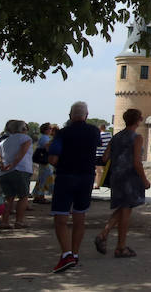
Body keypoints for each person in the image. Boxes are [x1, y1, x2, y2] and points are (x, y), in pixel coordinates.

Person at [48, 101, 101, 273]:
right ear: (86, 115)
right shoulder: (94, 131)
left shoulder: (63, 133)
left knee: (61, 218)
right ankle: (75, 254)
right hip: (87, 177)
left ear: (70, 115)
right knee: (80, 216)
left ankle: (66, 254)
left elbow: (53, 159)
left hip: (66, 176)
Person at [93, 109, 150, 258]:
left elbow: (105, 158)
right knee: (126, 212)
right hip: (129, 177)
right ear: (138, 120)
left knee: (122, 208)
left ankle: (104, 234)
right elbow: (137, 162)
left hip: (116, 176)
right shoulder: (137, 138)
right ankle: (120, 247)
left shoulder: (116, 137)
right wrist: (145, 180)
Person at [0, 120, 33, 229]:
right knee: (23, 196)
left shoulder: (3, 142)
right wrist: (13, 165)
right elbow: (21, 153)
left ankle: (4, 221)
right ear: (23, 129)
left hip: (4, 172)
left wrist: (1, 165)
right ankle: (19, 221)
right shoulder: (26, 139)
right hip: (21, 170)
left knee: (8, 197)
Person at [32, 123, 54, 204]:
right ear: (46, 130)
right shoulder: (45, 138)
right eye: (50, 129)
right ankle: (40, 196)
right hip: (45, 161)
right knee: (45, 179)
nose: (51, 130)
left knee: (42, 178)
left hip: (43, 161)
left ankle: (38, 195)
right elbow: (48, 148)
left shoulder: (43, 138)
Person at [93, 124, 112, 189]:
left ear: (99, 128)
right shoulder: (110, 135)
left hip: (99, 154)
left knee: (98, 171)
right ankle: (104, 183)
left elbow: (97, 145)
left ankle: (97, 185)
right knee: (105, 170)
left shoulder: (99, 135)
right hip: (107, 155)